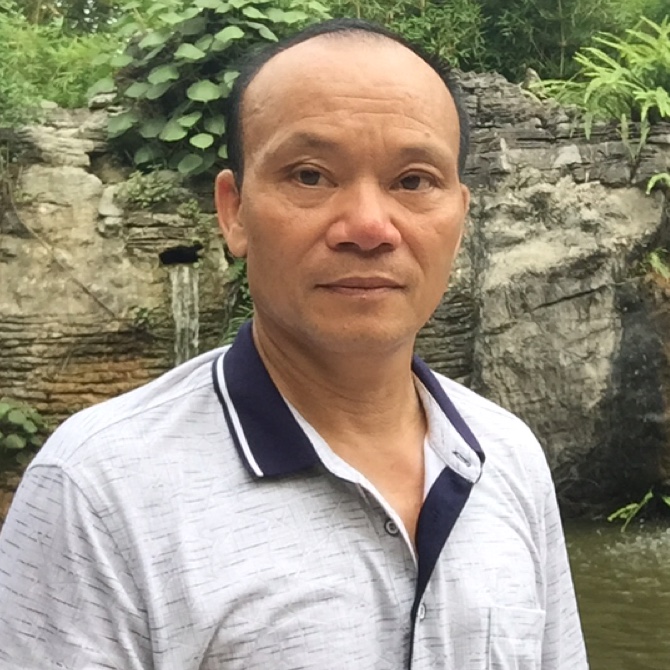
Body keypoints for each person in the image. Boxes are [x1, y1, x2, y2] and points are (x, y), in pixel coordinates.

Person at [0, 18, 588, 670]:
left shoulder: (507, 456)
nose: (369, 226)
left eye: (414, 181)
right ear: (234, 211)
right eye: (310, 175)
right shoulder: (97, 491)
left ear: (459, 217)